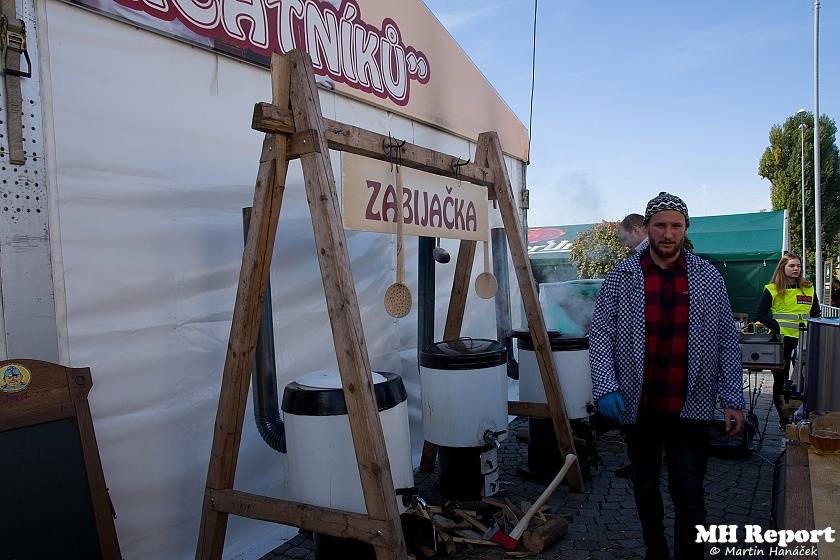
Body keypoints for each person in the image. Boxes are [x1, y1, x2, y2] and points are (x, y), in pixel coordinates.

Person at [590, 192, 745, 560]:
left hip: (690, 406)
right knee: (645, 488)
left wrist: (733, 400)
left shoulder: (707, 277)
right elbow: (600, 334)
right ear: (646, 228)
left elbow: (726, 340)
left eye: (676, 225)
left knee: (690, 494)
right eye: (660, 225)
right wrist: (606, 386)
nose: (667, 233)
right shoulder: (621, 276)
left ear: (686, 229)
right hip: (639, 405)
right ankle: (655, 552)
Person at [755, 253, 820, 427]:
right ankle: (784, 418)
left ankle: (802, 414)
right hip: (782, 341)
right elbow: (760, 314)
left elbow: (816, 315)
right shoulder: (772, 288)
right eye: (792, 266)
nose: (796, 269)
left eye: (798, 266)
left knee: (804, 379)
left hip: (805, 340)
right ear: (783, 268)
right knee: (781, 380)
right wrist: (776, 327)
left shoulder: (808, 288)